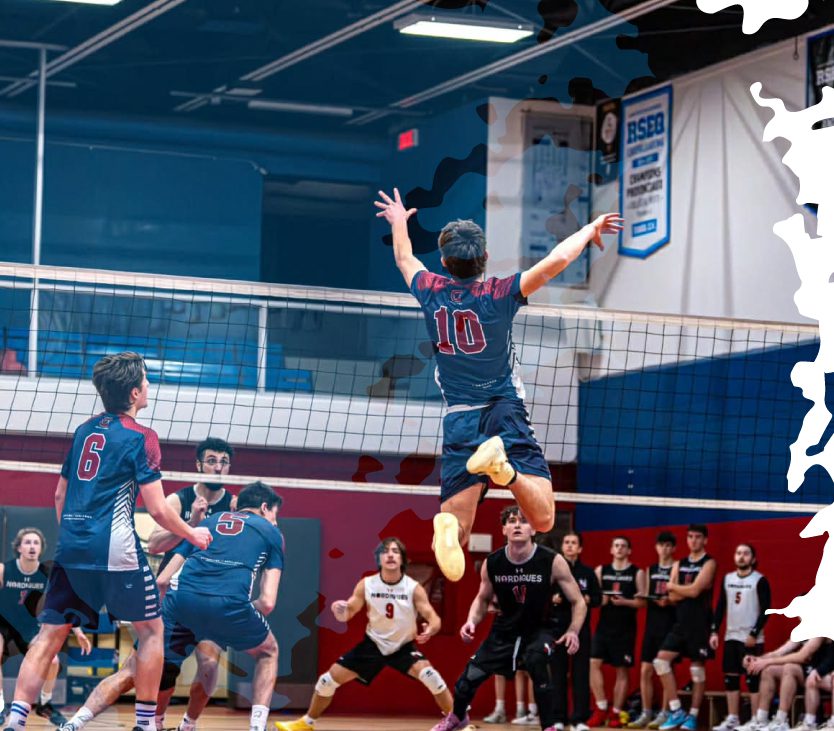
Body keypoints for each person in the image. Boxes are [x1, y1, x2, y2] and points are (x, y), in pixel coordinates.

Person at [375, 187, 622, 581]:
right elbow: (557, 260)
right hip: (503, 409)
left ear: (443, 262)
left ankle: (447, 529)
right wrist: (589, 228)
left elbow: (405, 258)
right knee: (543, 520)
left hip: (459, 419)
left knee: (460, 526)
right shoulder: (500, 293)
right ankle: (504, 472)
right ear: (485, 259)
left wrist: (400, 222)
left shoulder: (430, 291)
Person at [2, 352, 212, 731]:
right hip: (115, 549)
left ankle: (15, 720)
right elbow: (159, 511)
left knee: (49, 636)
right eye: (146, 381)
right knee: (150, 631)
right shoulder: (143, 437)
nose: (149, 386)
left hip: (71, 545)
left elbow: (58, 497)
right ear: (134, 393)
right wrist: (192, 534)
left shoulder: (84, 431)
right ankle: (146, 724)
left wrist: (73, 538)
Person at [60, 480, 284, 731]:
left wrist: (159, 615)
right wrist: (233, 613)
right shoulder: (272, 532)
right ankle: (253, 727)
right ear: (265, 507)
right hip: (228, 606)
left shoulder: (208, 522)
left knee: (132, 670)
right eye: (275, 514)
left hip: (182, 603)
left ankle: (73, 724)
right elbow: (267, 602)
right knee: (268, 652)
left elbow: (163, 580)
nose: (275, 520)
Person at [428, 505, 587, 731]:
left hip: (540, 629)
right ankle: (457, 717)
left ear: (534, 529)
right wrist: (472, 620)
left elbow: (578, 601)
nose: (517, 525)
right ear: (504, 529)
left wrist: (573, 631)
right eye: (512, 521)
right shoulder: (493, 562)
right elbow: (482, 599)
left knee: (537, 663)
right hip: (504, 631)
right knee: (468, 680)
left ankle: (549, 726)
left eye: (524, 521)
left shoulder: (552, 561)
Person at [275, 537, 451, 731]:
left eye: (395, 551)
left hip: (403, 647)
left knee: (431, 676)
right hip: (373, 645)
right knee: (326, 681)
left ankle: (458, 723)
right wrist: (339, 610)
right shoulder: (367, 584)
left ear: (402, 559)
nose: (390, 555)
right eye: (385, 551)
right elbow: (349, 612)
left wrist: (432, 628)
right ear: (379, 559)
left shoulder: (413, 588)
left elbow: (433, 617)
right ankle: (306, 723)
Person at [147, 436, 236, 727]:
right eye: (211, 461)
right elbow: (154, 546)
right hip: (175, 597)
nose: (218, 467)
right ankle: (157, 720)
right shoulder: (178, 499)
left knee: (209, 665)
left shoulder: (233, 506)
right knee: (166, 669)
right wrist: (192, 526)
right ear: (198, 465)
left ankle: (188, 724)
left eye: (223, 462)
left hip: (211, 598)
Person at [0, 528, 91, 727]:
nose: (32, 546)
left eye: (36, 543)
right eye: (27, 542)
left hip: (30, 627)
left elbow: (63, 604)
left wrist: (78, 631)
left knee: (53, 661)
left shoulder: (48, 574)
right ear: (19, 547)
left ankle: (44, 703)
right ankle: (0, 706)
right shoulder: (4, 569)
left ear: (41, 549)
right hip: (4, 625)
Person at [654, 524, 716, 731]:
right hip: (680, 623)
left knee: (697, 671)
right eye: (690, 537)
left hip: (700, 624)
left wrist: (674, 587)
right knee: (661, 662)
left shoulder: (709, 563)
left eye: (698, 537)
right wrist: (682, 590)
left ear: (705, 540)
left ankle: (693, 716)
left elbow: (696, 591)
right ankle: (676, 710)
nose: (694, 541)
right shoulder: (679, 564)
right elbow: (672, 596)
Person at [710, 544, 771, 731]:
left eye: (746, 553)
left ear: (752, 558)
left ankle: (755, 719)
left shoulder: (759, 580)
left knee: (752, 680)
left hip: (750, 638)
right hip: (731, 636)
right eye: (738, 553)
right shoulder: (727, 579)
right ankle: (733, 718)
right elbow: (720, 607)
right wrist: (714, 631)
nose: (741, 556)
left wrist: (754, 633)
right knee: (731, 678)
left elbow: (766, 610)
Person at [588, 536, 646, 729]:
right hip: (604, 626)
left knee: (622, 670)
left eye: (623, 546)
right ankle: (602, 706)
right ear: (611, 550)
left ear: (629, 551)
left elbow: (642, 602)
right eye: (616, 545)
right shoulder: (601, 570)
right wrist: (602, 599)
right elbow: (595, 599)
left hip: (625, 628)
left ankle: (616, 712)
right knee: (593, 663)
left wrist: (625, 602)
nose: (620, 549)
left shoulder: (637, 573)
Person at [552, 531, 601, 731]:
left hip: (580, 630)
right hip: (557, 627)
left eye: (574, 543)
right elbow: (544, 595)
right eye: (567, 542)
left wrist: (587, 599)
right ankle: (558, 718)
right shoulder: (554, 571)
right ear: (562, 547)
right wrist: (553, 598)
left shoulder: (588, 573)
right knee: (558, 674)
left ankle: (579, 719)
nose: (570, 546)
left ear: (580, 548)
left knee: (581, 674)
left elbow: (597, 599)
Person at [629, 531, 677, 730]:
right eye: (661, 545)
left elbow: (677, 595)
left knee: (664, 669)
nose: (664, 549)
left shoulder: (676, 567)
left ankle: (665, 713)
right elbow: (644, 598)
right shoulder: (651, 569)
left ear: (673, 548)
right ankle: (646, 712)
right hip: (652, 624)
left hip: (670, 623)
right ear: (656, 547)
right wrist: (642, 595)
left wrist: (669, 599)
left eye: (668, 545)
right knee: (645, 670)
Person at [738, 638, 828, 731]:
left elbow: (802, 656)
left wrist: (766, 662)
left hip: (822, 673)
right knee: (769, 670)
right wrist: (756, 660)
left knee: (790, 668)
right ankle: (761, 720)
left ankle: (781, 721)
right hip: (807, 672)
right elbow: (778, 653)